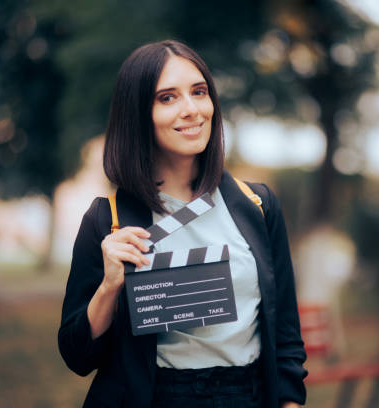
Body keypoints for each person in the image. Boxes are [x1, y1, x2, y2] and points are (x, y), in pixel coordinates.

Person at [58, 40, 307, 408]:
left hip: (247, 395)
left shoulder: (258, 205)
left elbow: (285, 333)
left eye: (199, 92)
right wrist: (110, 286)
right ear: (137, 114)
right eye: (167, 98)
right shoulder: (106, 221)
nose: (191, 109)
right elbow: (78, 357)